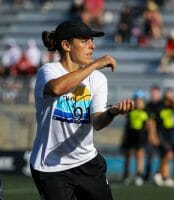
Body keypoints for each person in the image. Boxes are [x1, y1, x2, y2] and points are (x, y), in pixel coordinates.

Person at [29, 19, 134, 200]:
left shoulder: (98, 79)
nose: (92, 46)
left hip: (87, 163)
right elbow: (56, 89)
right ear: (66, 45)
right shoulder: (48, 71)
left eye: (92, 41)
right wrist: (94, 65)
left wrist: (112, 112)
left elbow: (98, 122)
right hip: (50, 167)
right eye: (85, 41)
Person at [153, 88, 174, 187]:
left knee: (166, 156)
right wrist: (153, 135)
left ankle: (163, 175)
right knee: (169, 154)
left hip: (171, 135)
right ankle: (160, 174)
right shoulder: (159, 106)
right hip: (161, 134)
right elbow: (152, 121)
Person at [120, 90, 149, 186]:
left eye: (140, 100)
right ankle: (126, 175)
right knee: (128, 155)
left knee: (140, 155)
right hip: (130, 136)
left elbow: (148, 125)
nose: (138, 102)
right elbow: (126, 125)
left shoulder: (146, 111)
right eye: (137, 100)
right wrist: (124, 138)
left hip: (141, 136)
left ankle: (139, 175)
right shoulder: (130, 111)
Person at [143, 85, 162, 182]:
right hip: (151, 135)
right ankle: (147, 175)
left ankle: (159, 174)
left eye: (156, 93)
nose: (154, 95)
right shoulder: (148, 106)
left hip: (163, 134)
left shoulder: (162, 105)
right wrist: (152, 136)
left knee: (163, 155)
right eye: (152, 93)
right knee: (150, 155)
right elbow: (149, 121)